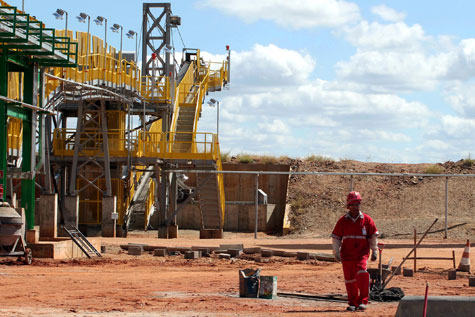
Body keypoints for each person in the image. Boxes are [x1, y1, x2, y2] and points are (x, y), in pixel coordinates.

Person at [331, 191, 379, 312]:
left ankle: (363, 301)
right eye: (352, 205)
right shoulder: (342, 221)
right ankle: (352, 302)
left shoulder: (367, 220)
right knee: (350, 279)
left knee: (362, 273)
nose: (355, 207)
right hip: (347, 256)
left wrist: (374, 251)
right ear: (348, 206)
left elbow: (373, 236)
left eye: (357, 204)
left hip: (361, 254)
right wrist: (336, 252)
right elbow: (336, 237)